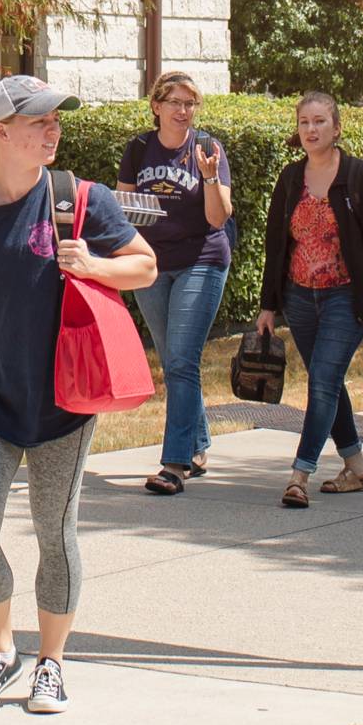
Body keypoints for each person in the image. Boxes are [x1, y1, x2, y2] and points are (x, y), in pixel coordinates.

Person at [0, 77, 156, 720]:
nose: (52, 131)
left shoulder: (80, 200)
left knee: (55, 529)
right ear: (1, 133)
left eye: (56, 121)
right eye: (39, 121)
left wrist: (94, 265)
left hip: (64, 403)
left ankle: (52, 663)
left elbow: (145, 265)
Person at [254, 92, 363, 511]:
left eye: (320, 122)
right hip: (299, 298)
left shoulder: (358, 177)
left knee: (322, 383)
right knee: (328, 384)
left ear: (337, 127)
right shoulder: (291, 179)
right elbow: (276, 246)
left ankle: (299, 475)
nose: (311, 130)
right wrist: (268, 305)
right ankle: (356, 466)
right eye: (304, 123)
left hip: (346, 298)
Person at [122, 70, 232, 497]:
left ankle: (175, 463)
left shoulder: (207, 148)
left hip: (201, 260)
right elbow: (124, 209)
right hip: (151, 264)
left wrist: (207, 177)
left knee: (183, 362)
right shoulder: (138, 149)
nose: (183, 111)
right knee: (173, 362)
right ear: (156, 107)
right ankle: (199, 443)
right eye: (175, 103)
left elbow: (218, 218)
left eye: (190, 104)